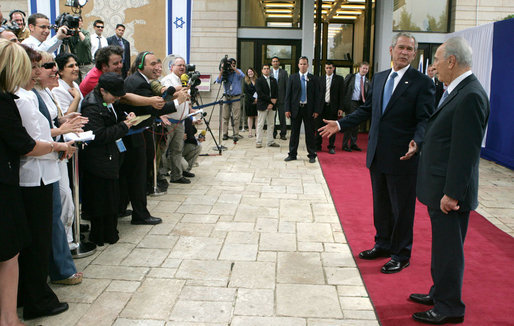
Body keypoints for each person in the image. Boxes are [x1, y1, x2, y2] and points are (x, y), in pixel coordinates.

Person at [319, 32, 435, 273]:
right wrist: (339, 125)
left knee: (402, 208)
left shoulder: (422, 82)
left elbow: (425, 119)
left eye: (409, 50)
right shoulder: (380, 78)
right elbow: (367, 110)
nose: (404, 52)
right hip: (377, 155)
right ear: (390, 50)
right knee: (381, 205)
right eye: (401, 47)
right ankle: (382, 244)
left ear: (414, 54)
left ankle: (401, 254)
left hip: (404, 157)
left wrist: (417, 141)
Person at [410, 37, 490, 325]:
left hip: (450, 195)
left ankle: (449, 307)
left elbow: (465, 152)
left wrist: (452, 194)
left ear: (452, 62)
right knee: (442, 248)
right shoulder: (457, 91)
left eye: (438, 61)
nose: (434, 67)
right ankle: (439, 292)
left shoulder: (470, 95)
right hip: (441, 188)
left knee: (448, 251)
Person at [0, 39, 71, 326]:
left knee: (26, 244)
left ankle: (23, 301)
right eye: (33, 67)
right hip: (25, 176)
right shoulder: (13, 98)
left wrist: (59, 134)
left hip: (30, 173)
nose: (37, 72)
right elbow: (25, 142)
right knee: (25, 245)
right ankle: (28, 302)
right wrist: (58, 145)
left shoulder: (19, 96)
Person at [34, 51, 86, 285]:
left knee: (64, 205)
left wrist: (66, 122)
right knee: (59, 208)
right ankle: (60, 266)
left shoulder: (44, 92)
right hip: (41, 162)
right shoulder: (29, 96)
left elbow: (52, 122)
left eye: (55, 66)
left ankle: (63, 260)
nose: (55, 70)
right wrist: (61, 135)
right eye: (48, 66)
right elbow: (33, 134)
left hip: (53, 157)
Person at [119, 51, 179, 225]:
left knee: (131, 174)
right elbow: (155, 108)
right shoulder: (138, 83)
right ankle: (140, 214)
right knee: (138, 175)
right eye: (152, 64)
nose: (157, 67)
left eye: (158, 63)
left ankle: (122, 208)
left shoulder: (144, 81)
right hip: (135, 134)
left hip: (139, 131)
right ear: (140, 66)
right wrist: (178, 101)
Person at [81, 73, 135, 246]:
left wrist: (125, 118)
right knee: (100, 200)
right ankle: (101, 235)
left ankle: (110, 232)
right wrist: (123, 126)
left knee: (111, 197)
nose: (116, 99)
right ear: (102, 90)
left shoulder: (107, 101)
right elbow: (98, 135)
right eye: (114, 95)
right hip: (98, 160)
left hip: (110, 156)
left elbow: (113, 117)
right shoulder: (91, 106)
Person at [160, 57, 193, 184]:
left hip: (180, 122)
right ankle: (161, 175)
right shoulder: (168, 80)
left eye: (184, 65)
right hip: (168, 121)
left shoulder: (184, 80)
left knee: (177, 150)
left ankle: (177, 175)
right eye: (179, 65)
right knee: (163, 150)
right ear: (171, 67)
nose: (182, 67)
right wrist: (180, 89)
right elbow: (166, 96)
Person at [284, 56, 320, 163]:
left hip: (309, 109)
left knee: (310, 132)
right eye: (301, 64)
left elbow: (317, 96)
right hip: (296, 109)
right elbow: (288, 95)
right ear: (298, 65)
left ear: (308, 65)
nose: (303, 66)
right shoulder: (293, 77)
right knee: (294, 132)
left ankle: (312, 154)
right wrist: (287, 109)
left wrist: (316, 110)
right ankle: (292, 154)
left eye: (305, 64)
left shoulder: (313, 78)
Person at [315, 61, 345, 154]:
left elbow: (342, 95)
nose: (328, 69)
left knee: (332, 127)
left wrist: (341, 108)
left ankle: (331, 146)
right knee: (318, 127)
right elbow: (316, 95)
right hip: (321, 107)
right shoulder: (320, 79)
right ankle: (317, 145)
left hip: (333, 107)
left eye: (330, 68)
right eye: (327, 68)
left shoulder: (339, 79)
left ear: (333, 68)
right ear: (324, 68)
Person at [341, 61, 370, 152]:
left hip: (361, 103)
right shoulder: (351, 77)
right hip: (351, 102)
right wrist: (342, 106)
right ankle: (345, 144)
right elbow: (344, 90)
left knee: (356, 124)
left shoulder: (368, 81)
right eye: (363, 68)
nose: (364, 70)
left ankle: (353, 144)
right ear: (359, 68)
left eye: (366, 69)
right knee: (350, 123)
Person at [215, 58, 245, 140]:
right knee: (225, 116)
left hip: (236, 97)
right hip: (227, 96)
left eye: (234, 64)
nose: (232, 65)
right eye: (231, 64)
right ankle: (225, 133)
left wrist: (234, 68)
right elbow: (218, 81)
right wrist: (222, 70)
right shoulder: (225, 72)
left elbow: (243, 76)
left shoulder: (237, 71)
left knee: (236, 116)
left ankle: (236, 133)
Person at [255, 63, 279, 148]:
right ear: (262, 70)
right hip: (262, 105)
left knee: (271, 124)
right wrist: (269, 101)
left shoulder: (273, 80)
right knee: (260, 124)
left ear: (270, 70)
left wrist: (272, 103)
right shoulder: (258, 80)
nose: (266, 70)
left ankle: (270, 141)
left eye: (268, 68)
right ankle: (258, 142)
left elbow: (276, 93)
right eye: (264, 68)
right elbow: (260, 93)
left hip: (272, 106)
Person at [66, 17, 93, 81]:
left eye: (79, 21)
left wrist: (78, 31)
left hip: (86, 65)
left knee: (86, 85)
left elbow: (86, 43)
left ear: (82, 23)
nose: (78, 22)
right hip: (76, 65)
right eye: (75, 21)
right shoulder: (71, 33)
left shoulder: (85, 33)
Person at [271, 56, 289, 140]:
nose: (275, 63)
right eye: (274, 61)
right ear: (272, 63)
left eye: (276, 61)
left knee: (282, 118)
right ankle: (273, 133)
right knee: (272, 118)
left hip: (282, 99)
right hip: (272, 99)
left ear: (279, 63)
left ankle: (283, 134)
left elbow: (287, 86)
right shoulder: (269, 72)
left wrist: (286, 98)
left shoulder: (284, 72)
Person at [243, 67, 258, 138]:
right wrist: (253, 99)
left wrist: (257, 99)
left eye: (251, 71)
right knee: (250, 117)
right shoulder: (246, 82)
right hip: (249, 102)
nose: (250, 73)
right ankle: (250, 132)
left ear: (253, 72)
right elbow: (246, 92)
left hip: (258, 101)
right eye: (249, 72)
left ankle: (257, 132)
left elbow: (260, 90)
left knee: (257, 117)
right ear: (247, 74)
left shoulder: (258, 80)